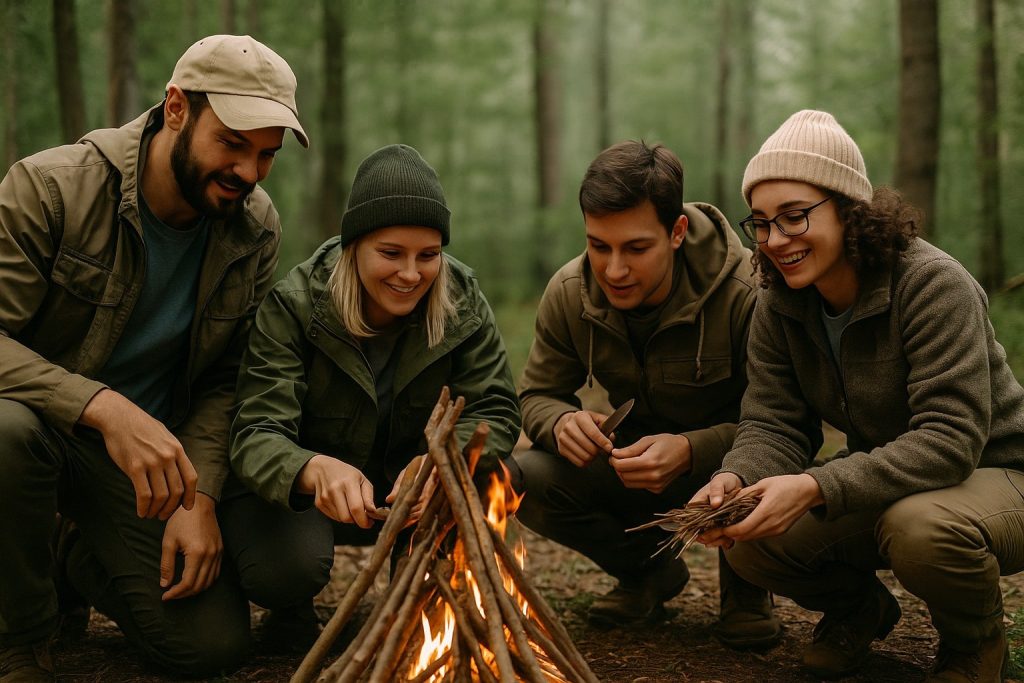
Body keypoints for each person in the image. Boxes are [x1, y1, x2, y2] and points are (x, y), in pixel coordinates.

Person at [0, 34, 307, 682]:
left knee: (211, 646)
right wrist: (99, 404)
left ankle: (73, 556)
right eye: (233, 142)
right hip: (37, 435)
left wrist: (200, 493)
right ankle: (19, 634)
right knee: (8, 433)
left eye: (266, 156)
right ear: (176, 108)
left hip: (151, 468)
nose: (249, 172)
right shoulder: (51, 189)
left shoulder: (254, 228)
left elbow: (230, 376)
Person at [694, 110, 1024, 682]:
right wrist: (738, 479)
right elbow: (774, 420)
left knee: (920, 526)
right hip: (896, 479)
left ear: (851, 209)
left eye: (795, 217)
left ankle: (975, 643)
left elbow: (950, 441)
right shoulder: (778, 300)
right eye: (762, 223)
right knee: (749, 539)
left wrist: (816, 485)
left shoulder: (932, 285)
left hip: (1000, 473)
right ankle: (858, 611)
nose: (775, 240)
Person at [222, 143, 521, 647]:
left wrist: (438, 462)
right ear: (353, 245)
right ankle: (290, 608)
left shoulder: (462, 301)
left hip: (418, 497)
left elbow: (495, 409)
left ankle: (424, 601)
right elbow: (255, 432)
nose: (411, 275)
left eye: (428, 256)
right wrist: (311, 470)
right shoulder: (294, 307)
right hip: (312, 500)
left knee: (499, 470)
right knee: (284, 570)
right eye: (391, 254)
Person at [508, 140, 781, 648]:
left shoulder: (749, 291)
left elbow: (785, 422)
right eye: (598, 246)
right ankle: (647, 574)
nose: (613, 270)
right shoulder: (570, 292)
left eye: (636, 248)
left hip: (730, 467)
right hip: (630, 464)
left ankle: (747, 589)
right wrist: (561, 423)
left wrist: (691, 451)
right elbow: (538, 395)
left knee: (755, 471)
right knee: (525, 477)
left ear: (677, 232)